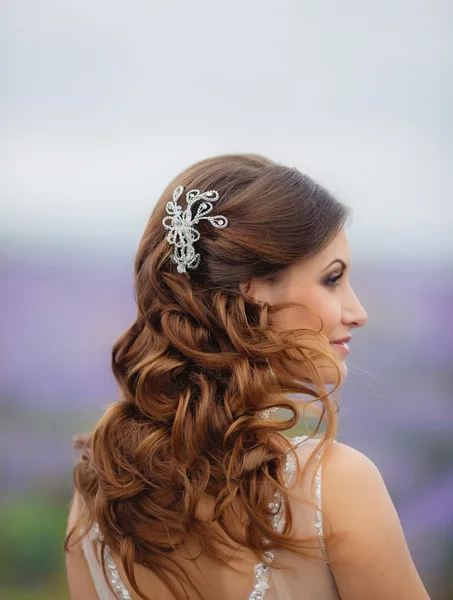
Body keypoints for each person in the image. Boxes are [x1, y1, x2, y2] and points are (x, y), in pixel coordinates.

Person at [65, 154, 430, 600]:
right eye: (332, 280)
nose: (358, 313)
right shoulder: (335, 485)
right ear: (252, 290)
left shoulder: (99, 497)